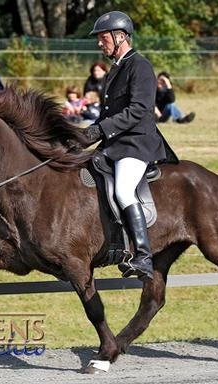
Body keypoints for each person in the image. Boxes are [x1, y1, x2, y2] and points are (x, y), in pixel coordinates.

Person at [84, 11, 168, 280]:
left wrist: (101, 129)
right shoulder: (116, 68)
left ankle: (143, 256)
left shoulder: (140, 66)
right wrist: (85, 134)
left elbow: (138, 110)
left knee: (122, 190)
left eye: (103, 37)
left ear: (120, 36)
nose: (100, 43)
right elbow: (109, 111)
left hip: (136, 143)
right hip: (115, 142)